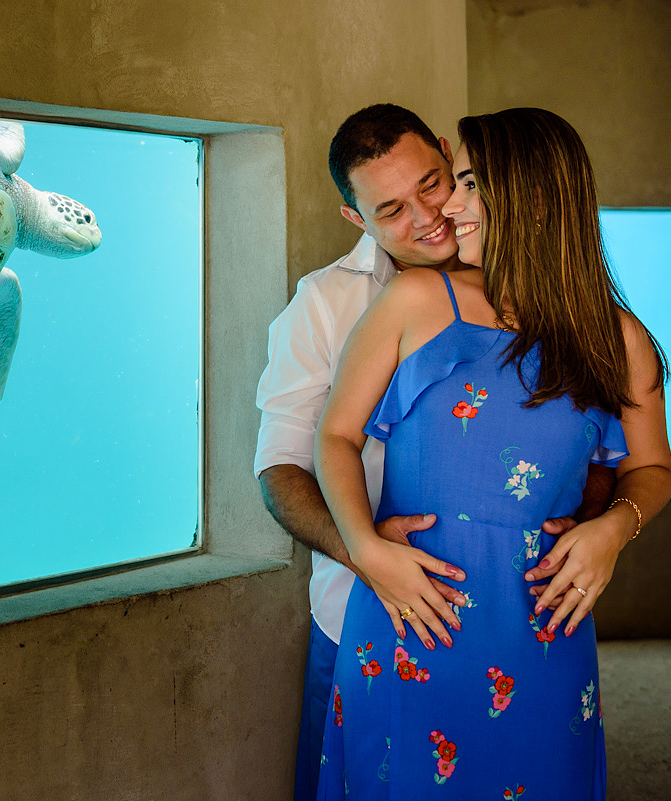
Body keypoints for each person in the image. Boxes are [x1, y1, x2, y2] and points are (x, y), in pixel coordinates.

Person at [254, 104, 615, 801]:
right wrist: (369, 554)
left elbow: (590, 442)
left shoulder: (549, 296)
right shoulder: (325, 303)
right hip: (366, 612)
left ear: (452, 159)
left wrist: (590, 524)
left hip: (520, 612)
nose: (428, 216)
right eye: (391, 208)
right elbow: (280, 473)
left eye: (432, 182)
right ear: (356, 218)